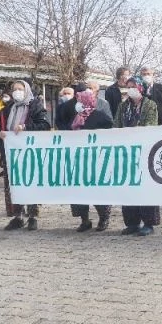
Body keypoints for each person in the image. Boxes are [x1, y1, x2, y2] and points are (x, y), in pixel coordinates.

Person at [0, 80, 51, 230]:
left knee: (30, 181)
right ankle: (18, 216)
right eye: (14, 89)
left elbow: (44, 125)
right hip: (12, 153)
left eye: (20, 89)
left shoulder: (35, 105)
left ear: (26, 90)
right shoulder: (9, 108)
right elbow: (4, 128)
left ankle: (33, 216)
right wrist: (2, 134)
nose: (17, 91)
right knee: (14, 183)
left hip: (30, 152)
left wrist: (25, 127)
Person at [114, 77, 160, 235]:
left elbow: (151, 126)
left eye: (133, 86)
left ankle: (149, 223)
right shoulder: (122, 106)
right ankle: (131, 222)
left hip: (144, 151)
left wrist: (134, 134)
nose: (130, 89)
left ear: (141, 88)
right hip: (126, 152)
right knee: (128, 186)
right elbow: (117, 125)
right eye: (128, 87)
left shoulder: (150, 105)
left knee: (145, 187)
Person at [71, 89, 114, 232]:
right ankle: (84, 219)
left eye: (81, 100)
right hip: (79, 158)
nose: (79, 103)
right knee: (79, 190)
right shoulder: (77, 117)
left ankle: (103, 217)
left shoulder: (100, 116)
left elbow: (110, 132)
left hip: (96, 159)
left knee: (97, 190)